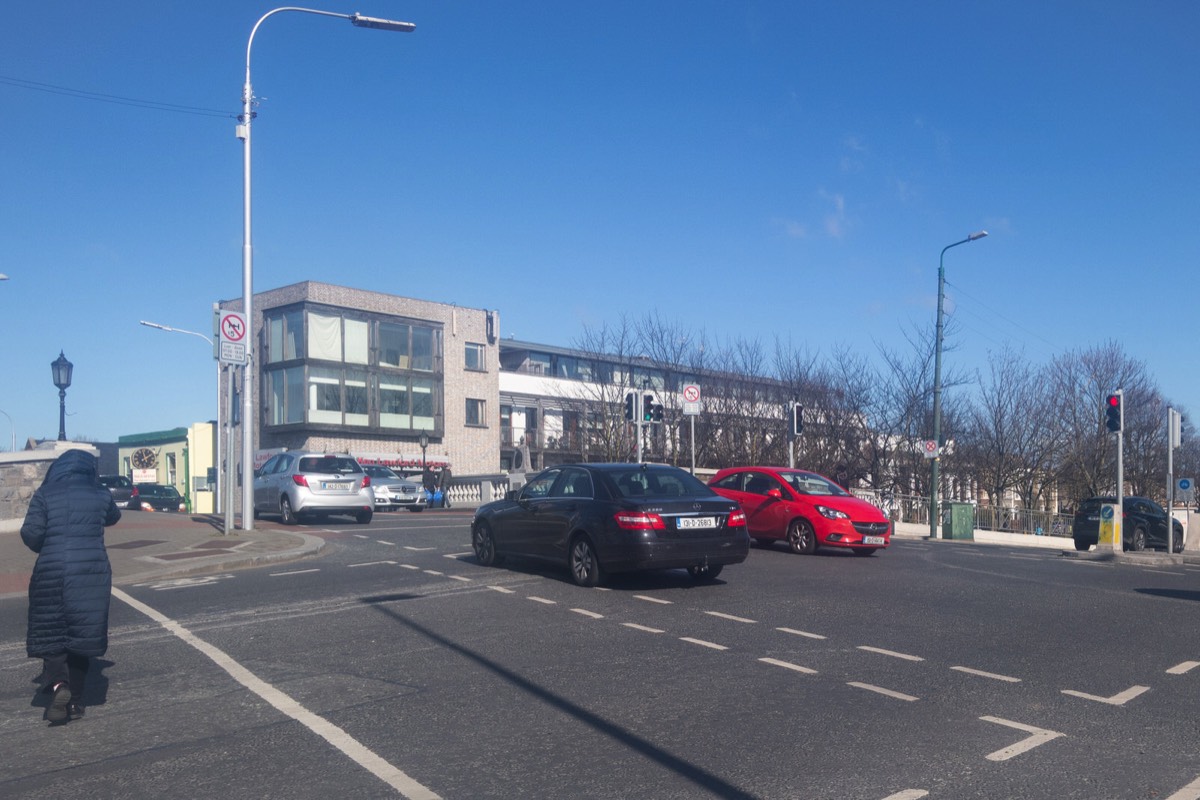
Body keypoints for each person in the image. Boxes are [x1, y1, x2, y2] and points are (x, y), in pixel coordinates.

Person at [22, 449, 120, 724]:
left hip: (52, 570)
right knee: (81, 636)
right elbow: (114, 517)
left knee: (52, 631)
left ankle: (58, 685)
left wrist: (48, 545)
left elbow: (31, 533)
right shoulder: (100, 493)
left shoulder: (45, 494)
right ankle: (76, 702)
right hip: (91, 573)